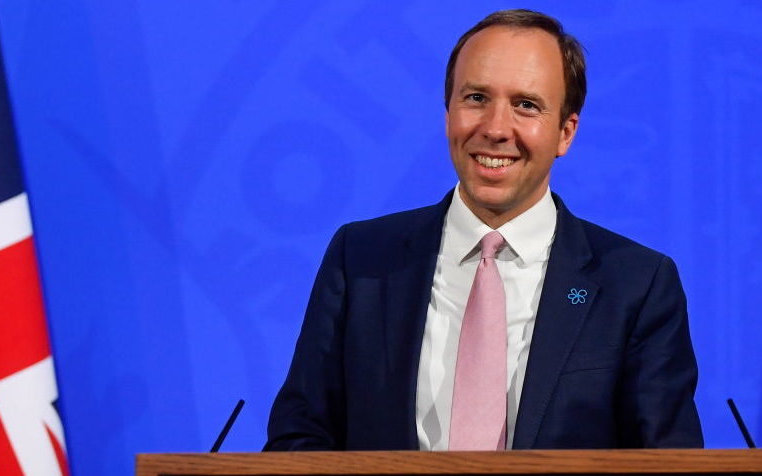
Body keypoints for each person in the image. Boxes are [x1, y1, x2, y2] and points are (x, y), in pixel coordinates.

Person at [265, 9, 702, 451]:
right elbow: (300, 438)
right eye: (475, 98)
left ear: (565, 132)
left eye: (526, 105)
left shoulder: (636, 284)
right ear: (448, 112)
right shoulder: (360, 259)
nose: (495, 129)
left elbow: (667, 459)